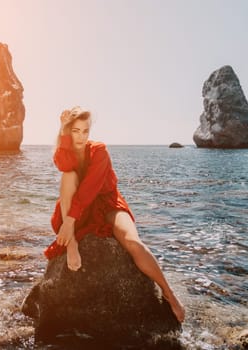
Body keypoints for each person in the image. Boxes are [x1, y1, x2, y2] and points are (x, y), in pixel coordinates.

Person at [44, 106, 185, 323]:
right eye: (75, 131)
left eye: (85, 131)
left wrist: (68, 222)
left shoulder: (99, 150)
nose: (81, 137)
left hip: (108, 203)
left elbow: (89, 189)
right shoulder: (68, 151)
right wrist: (63, 131)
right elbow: (64, 165)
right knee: (68, 176)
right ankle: (71, 243)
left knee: (133, 242)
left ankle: (169, 294)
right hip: (82, 209)